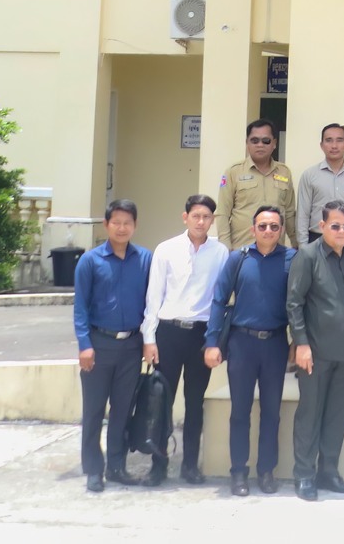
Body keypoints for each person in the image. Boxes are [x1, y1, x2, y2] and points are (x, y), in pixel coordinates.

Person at [205, 204, 294, 497]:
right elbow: (219, 300)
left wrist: (299, 342)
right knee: (240, 412)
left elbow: (299, 303)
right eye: (262, 226)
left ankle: (266, 471)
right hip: (241, 344)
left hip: (275, 344)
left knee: (272, 412)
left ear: (281, 230)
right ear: (253, 228)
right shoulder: (238, 258)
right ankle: (238, 472)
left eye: (274, 226)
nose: (268, 231)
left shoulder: (291, 259)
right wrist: (212, 342)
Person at [140, 193, 224, 488]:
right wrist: (149, 338)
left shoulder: (220, 253)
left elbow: (220, 299)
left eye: (207, 217)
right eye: (196, 216)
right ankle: (158, 465)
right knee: (161, 401)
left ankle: (190, 465)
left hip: (201, 335)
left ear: (213, 220)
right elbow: (153, 297)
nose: (201, 222)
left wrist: (215, 339)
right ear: (185, 217)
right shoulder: (166, 250)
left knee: (195, 403)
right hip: (169, 333)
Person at [287, 199, 344, 500]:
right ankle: (304, 475)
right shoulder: (308, 256)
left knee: (337, 416)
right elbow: (294, 303)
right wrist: (301, 344)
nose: (342, 231)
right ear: (322, 226)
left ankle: (329, 472)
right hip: (316, 353)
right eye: (335, 226)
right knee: (310, 415)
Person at [73, 199, 151, 493]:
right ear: (106, 225)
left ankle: (116, 467)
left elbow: (152, 303)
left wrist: (148, 341)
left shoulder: (145, 259)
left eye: (127, 222)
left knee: (122, 410)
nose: (121, 228)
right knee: (94, 411)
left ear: (135, 226)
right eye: (116, 222)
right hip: (99, 344)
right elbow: (80, 307)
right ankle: (94, 469)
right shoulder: (90, 261)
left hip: (131, 346)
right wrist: (84, 345)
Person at [215, 121, 295, 250]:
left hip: (275, 250)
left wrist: (296, 244)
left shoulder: (284, 172)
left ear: (274, 143)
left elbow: (290, 213)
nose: (260, 145)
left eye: (266, 141)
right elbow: (223, 213)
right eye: (254, 140)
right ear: (247, 143)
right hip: (242, 249)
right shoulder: (233, 172)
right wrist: (225, 247)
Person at [294, 123, 344, 246]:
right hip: (317, 240)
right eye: (329, 140)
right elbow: (303, 215)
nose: (334, 146)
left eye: (339, 140)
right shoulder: (309, 175)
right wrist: (303, 247)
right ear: (321, 145)